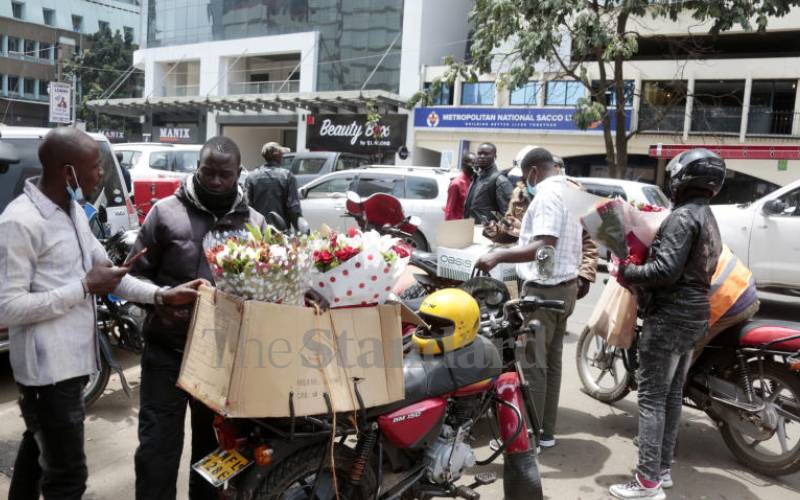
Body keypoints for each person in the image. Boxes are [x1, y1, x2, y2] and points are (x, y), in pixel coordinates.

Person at [0, 127, 203, 500]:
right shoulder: (19, 221)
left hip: (72, 369)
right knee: (67, 479)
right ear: (68, 172)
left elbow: (108, 276)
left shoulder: (72, 210)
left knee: (34, 461)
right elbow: (7, 308)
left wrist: (163, 296)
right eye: (94, 167)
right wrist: (82, 287)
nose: (102, 174)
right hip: (47, 376)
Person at [131, 136, 267, 500]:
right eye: (209, 173)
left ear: (239, 173)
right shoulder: (164, 213)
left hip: (220, 361)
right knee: (157, 449)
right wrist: (159, 301)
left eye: (225, 174)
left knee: (212, 453)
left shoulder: (255, 224)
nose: (217, 181)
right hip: (167, 354)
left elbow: (269, 289)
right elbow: (132, 277)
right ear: (198, 168)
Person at [610, 148, 725, 499]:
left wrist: (626, 270)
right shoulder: (708, 218)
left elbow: (664, 270)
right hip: (695, 316)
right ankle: (661, 470)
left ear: (682, 178)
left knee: (651, 398)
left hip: (671, 316)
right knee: (672, 394)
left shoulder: (682, 218)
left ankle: (647, 482)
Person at [475, 147, 585, 450]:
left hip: (544, 292)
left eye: (525, 177)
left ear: (534, 172)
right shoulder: (569, 191)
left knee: (532, 365)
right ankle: (546, 432)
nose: (525, 183)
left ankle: (529, 438)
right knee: (550, 364)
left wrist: (499, 255)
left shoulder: (548, 195)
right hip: (565, 287)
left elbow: (544, 245)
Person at [694, 244, 759, 362]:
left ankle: (675, 379)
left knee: (682, 347)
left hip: (729, 304)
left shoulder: (670, 249)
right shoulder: (703, 230)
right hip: (746, 289)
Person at [245, 141, 302, 230]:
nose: (282, 157)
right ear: (278, 156)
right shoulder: (287, 176)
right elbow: (293, 208)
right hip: (281, 232)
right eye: (282, 154)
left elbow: (247, 206)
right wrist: (299, 232)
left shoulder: (252, 177)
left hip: (258, 232)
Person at [463, 143, 514, 223]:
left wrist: (493, 225)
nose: (482, 156)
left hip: (486, 233)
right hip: (468, 229)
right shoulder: (476, 178)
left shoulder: (500, 181)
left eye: (486, 154)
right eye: (479, 154)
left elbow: (507, 215)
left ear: (495, 157)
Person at [444, 152, 475, 220]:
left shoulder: (474, 182)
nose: (475, 166)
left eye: (476, 163)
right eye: (472, 163)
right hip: (458, 223)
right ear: (463, 165)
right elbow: (449, 209)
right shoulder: (456, 184)